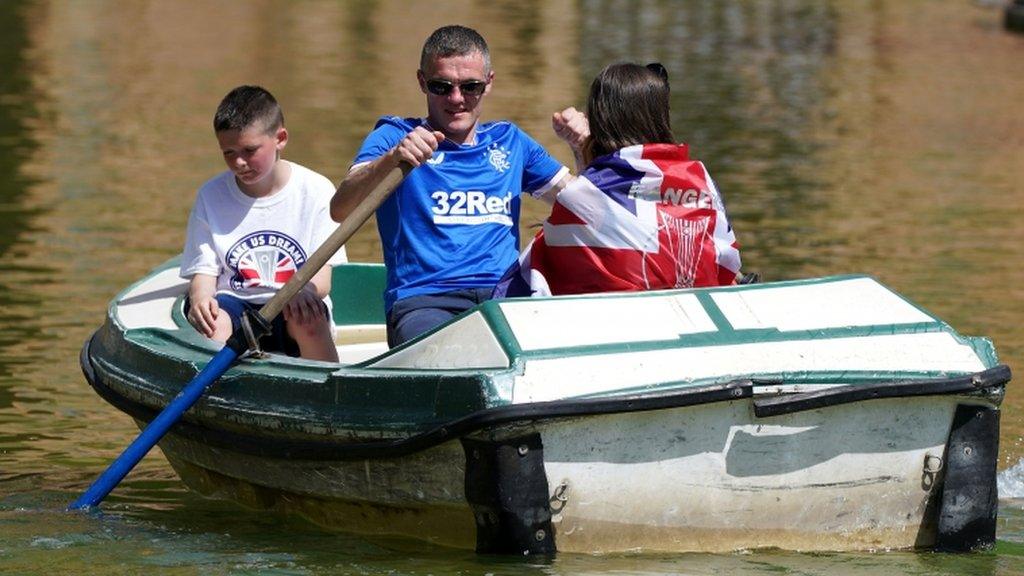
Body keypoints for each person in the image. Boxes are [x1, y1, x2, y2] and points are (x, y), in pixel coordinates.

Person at [332, 25, 586, 348]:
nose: (456, 99)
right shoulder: (395, 136)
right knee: (454, 352)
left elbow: (587, 208)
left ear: (489, 83)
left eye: (470, 87)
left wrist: (583, 147)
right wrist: (393, 159)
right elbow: (340, 208)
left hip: (504, 296)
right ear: (422, 82)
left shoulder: (511, 141)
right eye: (441, 86)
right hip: (425, 301)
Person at [494, 62, 741, 297]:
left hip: (621, 321)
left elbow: (544, 273)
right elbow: (727, 262)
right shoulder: (699, 176)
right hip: (696, 314)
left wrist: (583, 149)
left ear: (601, 121)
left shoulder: (582, 195)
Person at [180, 85, 345, 362]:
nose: (239, 162)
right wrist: (200, 299)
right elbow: (204, 273)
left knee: (308, 318)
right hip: (235, 302)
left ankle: (327, 391)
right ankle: (220, 394)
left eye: (249, 150)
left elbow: (322, 280)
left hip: (295, 299)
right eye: (228, 152)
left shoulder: (316, 190)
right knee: (212, 322)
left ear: (280, 139)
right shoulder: (211, 195)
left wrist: (301, 291)